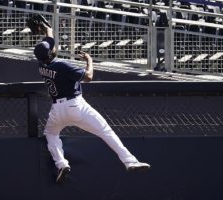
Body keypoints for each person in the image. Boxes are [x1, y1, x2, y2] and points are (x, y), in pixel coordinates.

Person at [33, 23, 151, 184]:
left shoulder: (41, 65)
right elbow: (88, 77)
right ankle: (130, 161)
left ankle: (61, 164)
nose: (54, 48)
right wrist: (89, 60)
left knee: (51, 134)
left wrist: (47, 29)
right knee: (105, 131)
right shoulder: (62, 65)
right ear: (51, 52)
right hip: (75, 106)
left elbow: (49, 42)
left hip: (57, 110)